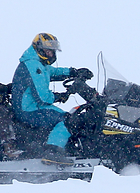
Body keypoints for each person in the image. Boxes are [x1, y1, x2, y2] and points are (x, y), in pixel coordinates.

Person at [12, 33, 93, 165]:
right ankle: (52, 152)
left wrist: (73, 72)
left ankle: (67, 149)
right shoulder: (33, 65)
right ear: (39, 48)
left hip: (33, 106)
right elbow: (42, 97)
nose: (51, 54)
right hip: (28, 109)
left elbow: (53, 72)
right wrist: (60, 96)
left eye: (52, 51)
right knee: (67, 120)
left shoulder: (38, 64)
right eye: (48, 50)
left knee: (69, 116)